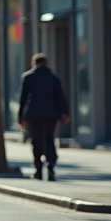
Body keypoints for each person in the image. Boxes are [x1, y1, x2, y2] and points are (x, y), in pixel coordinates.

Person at [18, 53, 70, 181]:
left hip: (33, 115)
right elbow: (60, 97)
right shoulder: (53, 78)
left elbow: (23, 98)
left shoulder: (28, 77)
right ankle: (51, 163)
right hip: (51, 114)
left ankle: (38, 170)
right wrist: (65, 113)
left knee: (36, 141)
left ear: (34, 63)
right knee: (49, 139)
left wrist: (20, 117)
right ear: (46, 63)